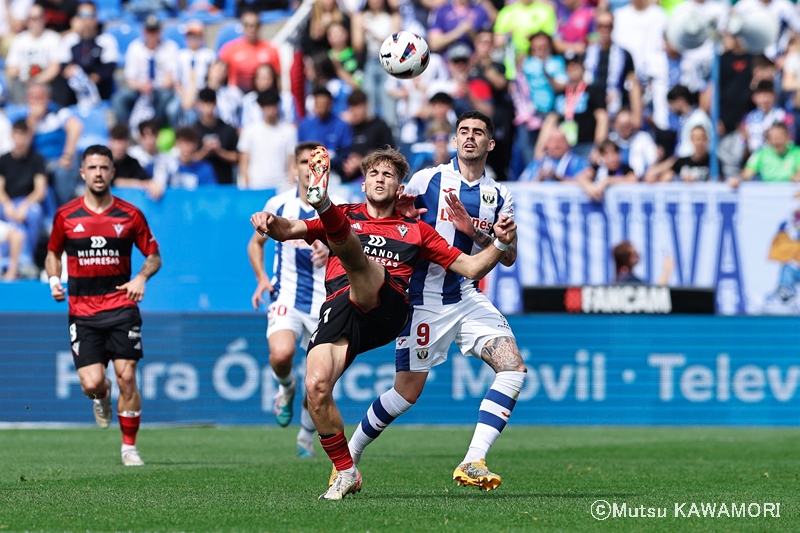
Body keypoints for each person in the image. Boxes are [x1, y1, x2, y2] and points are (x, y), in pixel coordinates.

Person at [249, 144, 516, 500]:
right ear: (363, 184)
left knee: (360, 262)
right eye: (373, 173)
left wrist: (499, 242)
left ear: (399, 187)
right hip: (341, 309)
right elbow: (288, 229)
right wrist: (267, 222)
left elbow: (471, 268)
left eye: (388, 175)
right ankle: (346, 472)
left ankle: (321, 200)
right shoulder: (349, 213)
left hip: (388, 305)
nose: (379, 179)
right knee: (315, 386)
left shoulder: (417, 230)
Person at [344, 111, 526, 492]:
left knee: (512, 368)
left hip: (466, 294)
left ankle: (473, 459)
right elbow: (387, 216)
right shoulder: (428, 179)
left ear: (490, 144)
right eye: (463, 132)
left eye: (478, 132)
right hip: (422, 300)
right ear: (455, 141)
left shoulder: (500, 195)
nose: (470, 138)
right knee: (406, 393)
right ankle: (350, 455)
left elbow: (507, 257)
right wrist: (405, 215)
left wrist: (486, 234)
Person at [45, 144, 162, 466]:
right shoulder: (66, 216)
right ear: (82, 173)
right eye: (92, 168)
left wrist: (140, 279)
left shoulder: (130, 215)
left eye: (104, 167)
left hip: (121, 306)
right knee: (94, 383)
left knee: (127, 376)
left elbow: (153, 257)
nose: (98, 173)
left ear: (112, 172)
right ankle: (101, 396)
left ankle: (129, 447)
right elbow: (53, 253)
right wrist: (54, 280)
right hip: (82, 312)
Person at [247, 142, 332, 458]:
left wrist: (334, 248)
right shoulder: (279, 205)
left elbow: (360, 250)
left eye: (316, 164)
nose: (309, 170)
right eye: (302, 163)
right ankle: (285, 388)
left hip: (327, 302)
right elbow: (255, 244)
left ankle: (305, 439)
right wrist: (261, 279)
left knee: (319, 380)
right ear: (293, 168)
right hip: (287, 296)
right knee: (281, 355)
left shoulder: (340, 208)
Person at [112, 14, 180, 128]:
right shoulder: (134, 48)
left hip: (160, 88)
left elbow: (171, 78)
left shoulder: (170, 47)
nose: (152, 35)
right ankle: (124, 133)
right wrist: (141, 86)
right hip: (139, 88)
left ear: (160, 31)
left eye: (155, 31)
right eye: (149, 31)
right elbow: (130, 79)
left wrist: (154, 85)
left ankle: (154, 130)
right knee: (118, 99)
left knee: (165, 97)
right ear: (144, 31)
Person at [0, 119, 47, 274]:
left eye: (23, 135)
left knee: (33, 213)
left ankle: (26, 260)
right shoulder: (4, 160)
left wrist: (24, 206)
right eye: (17, 135)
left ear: (29, 137)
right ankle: (18, 262)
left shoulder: (37, 159)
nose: (20, 140)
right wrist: (8, 205)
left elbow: (40, 190)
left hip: (27, 202)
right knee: (15, 223)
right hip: (6, 203)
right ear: (12, 136)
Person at [56, 1, 119, 107]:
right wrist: (68, 71)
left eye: (89, 15)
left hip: (99, 89)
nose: (86, 20)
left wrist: (93, 78)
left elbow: (109, 68)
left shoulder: (106, 40)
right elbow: (63, 65)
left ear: (96, 17)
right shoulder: (69, 40)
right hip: (74, 90)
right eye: (82, 15)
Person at [237, 89, 297, 190]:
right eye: (267, 107)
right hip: (256, 185)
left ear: (278, 106)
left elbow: (292, 162)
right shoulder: (249, 131)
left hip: (281, 185)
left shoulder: (289, 131)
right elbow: (243, 162)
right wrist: (246, 185)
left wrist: (291, 186)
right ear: (261, 107)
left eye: (273, 106)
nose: (271, 110)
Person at [5, 4, 61, 105]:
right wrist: (27, 78)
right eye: (32, 18)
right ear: (27, 20)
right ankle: (22, 110)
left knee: (58, 81)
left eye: (38, 17)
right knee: (15, 82)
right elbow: (11, 68)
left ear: (44, 18)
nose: (35, 21)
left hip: (46, 84)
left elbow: (55, 68)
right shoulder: (18, 40)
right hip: (24, 85)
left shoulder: (54, 38)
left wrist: (37, 81)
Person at [218, 9, 281, 93]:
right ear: (242, 26)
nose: (252, 28)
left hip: (264, 96)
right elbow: (219, 76)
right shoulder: (229, 50)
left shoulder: (271, 49)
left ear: (260, 26)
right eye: (247, 25)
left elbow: (278, 78)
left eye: (255, 24)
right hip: (237, 95)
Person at [341, 89, 394, 183]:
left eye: (357, 107)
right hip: (346, 180)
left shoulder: (380, 127)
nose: (354, 112)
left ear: (366, 105)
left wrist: (362, 161)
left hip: (373, 180)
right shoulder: (347, 128)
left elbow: (390, 155)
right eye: (352, 108)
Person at [192, 88, 239, 186]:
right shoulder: (193, 131)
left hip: (225, 183)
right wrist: (205, 151)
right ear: (198, 105)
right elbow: (187, 158)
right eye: (205, 103)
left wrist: (219, 152)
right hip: (200, 185)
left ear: (215, 104)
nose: (208, 107)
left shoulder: (228, 129)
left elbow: (238, 157)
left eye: (211, 103)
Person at [108, 123, 164, 200]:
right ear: (110, 142)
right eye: (117, 141)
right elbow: (116, 182)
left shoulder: (132, 162)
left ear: (128, 142)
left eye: (123, 141)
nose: (120, 146)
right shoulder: (104, 162)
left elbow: (145, 179)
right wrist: (142, 184)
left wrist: (152, 184)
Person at [734, 123, 800, 186]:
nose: (777, 141)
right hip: (767, 193)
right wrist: (738, 180)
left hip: (790, 192)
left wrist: (797, 176)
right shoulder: (761, 154)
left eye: (780, 137)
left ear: (787, 137)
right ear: (768, 139)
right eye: (773, 137)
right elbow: (747, 172)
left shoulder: (796, 152)